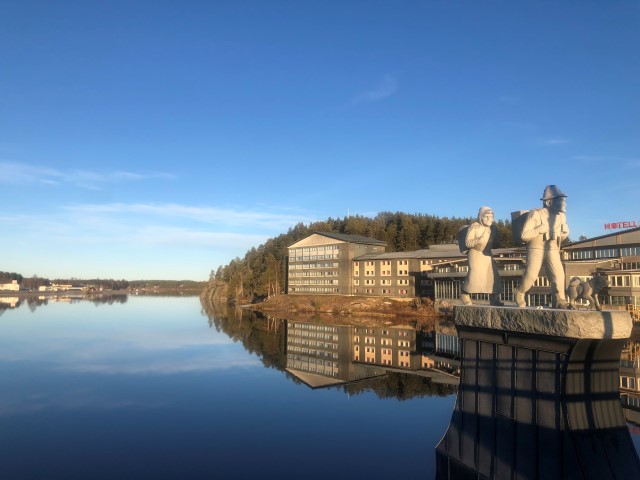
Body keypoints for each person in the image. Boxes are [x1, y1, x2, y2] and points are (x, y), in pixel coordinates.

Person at [515, 185, 570, 308]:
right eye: (561, 200)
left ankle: (560, 300)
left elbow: (559, 238)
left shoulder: (561, 216)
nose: (564, 203)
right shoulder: (536, 214)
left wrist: (564, 234)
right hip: (536, 248)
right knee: (531, 275)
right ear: (549, 201)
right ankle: (519, 292)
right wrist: (540, 229)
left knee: (559, 275)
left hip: (552, 248)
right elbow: (524, 235)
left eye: (564, 200)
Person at [460, 206, 503, 306]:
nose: (489, 219)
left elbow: (495, 244)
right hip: (475, 253)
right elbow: (467, 243)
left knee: (493, 275)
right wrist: (478, 240)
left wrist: (497, 242)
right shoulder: (474, 226)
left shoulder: (493, 228)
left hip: (487, 254)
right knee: (474, 275)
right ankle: (464, 294)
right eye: (487, 216)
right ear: (481, 217)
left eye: (491, 217)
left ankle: (494, 299)